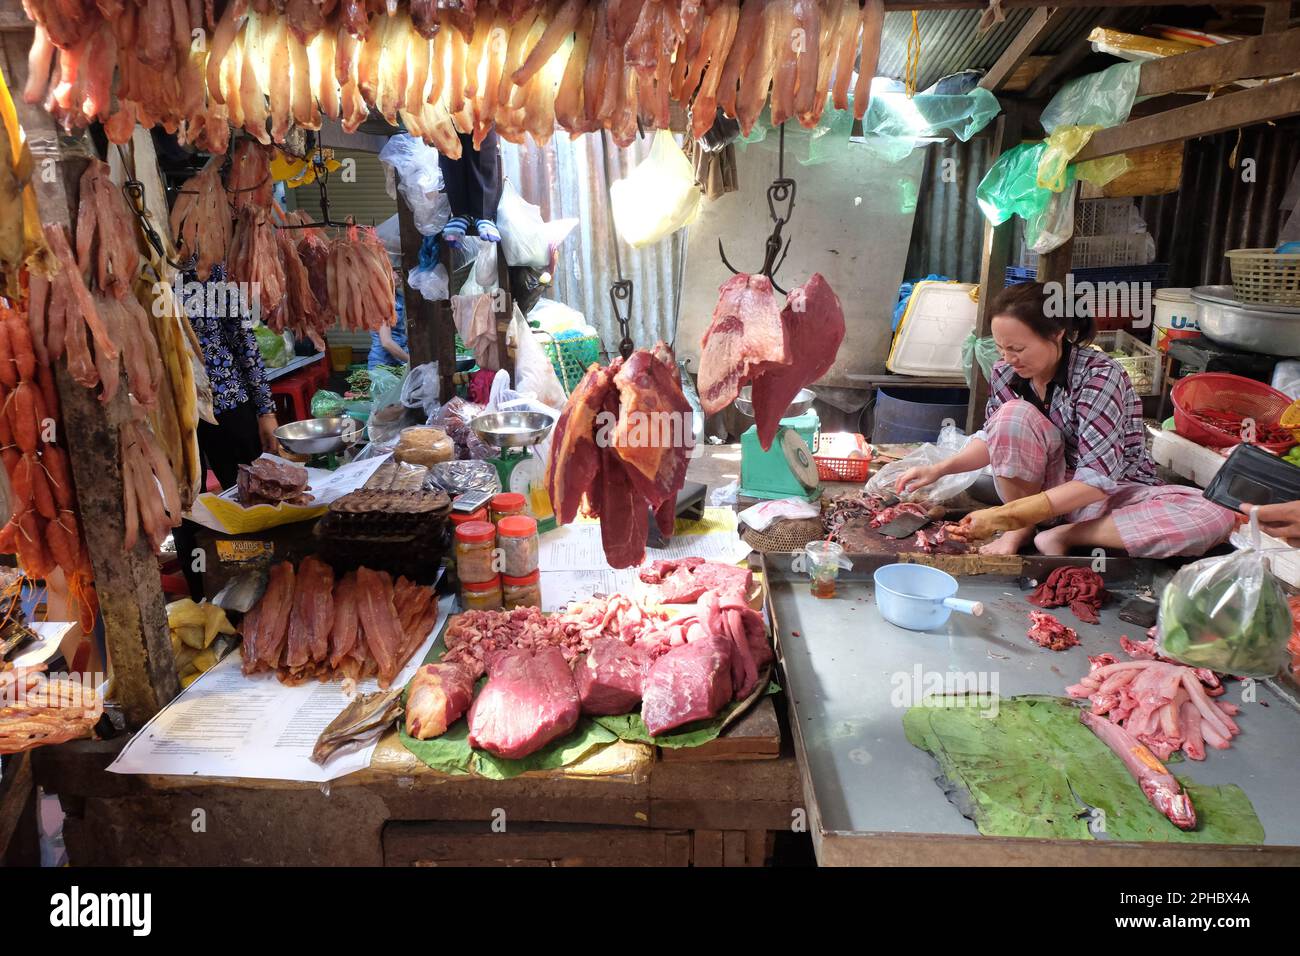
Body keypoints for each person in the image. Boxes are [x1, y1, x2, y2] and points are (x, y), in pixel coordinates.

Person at [897, 282, 1236, 558]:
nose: (1008, 358)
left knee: (1213, 515)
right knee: (1012, 415)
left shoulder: (1100, 376)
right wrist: (939, 469)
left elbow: (1096, 481)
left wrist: (1003, 515)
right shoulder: (1006, 373)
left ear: (1057, 333)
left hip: (1099, 497)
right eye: (1001, 348)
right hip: (1035, 496)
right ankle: (1022, 530)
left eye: (1017, 348)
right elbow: (993, 437)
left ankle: (1064, 535)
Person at [369, 284, 409, 368]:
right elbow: (386, 343)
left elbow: (404, 328)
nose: (399, 274)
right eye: (394, 270)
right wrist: (410, 361)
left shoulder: (399, 298)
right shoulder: (381, 301)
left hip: (400, 361)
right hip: (383, 365)